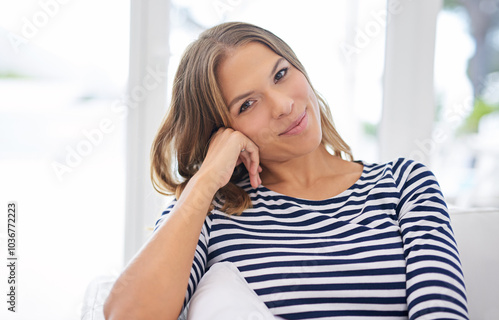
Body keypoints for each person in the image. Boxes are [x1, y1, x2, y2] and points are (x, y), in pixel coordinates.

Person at [104, 22, 469, 320]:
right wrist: (205, 181)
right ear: (221, 130)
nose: (283, 105)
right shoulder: (209, 211)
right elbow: (128, 315)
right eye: (247, 104)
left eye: (280, 74)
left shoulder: (404, 184)